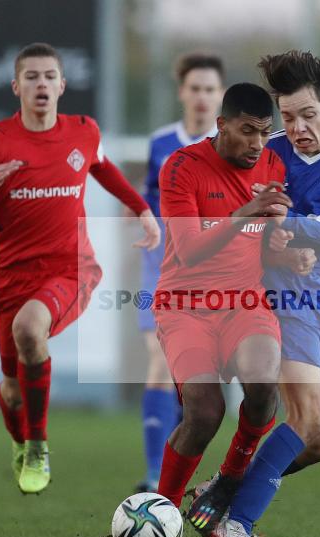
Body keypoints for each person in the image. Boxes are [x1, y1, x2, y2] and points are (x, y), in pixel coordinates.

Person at [0, 43, 160, 494]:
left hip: (71, 269)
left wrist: (142, 208)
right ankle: (22, 442)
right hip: (10, 278)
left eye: (49, 76)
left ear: (62, 85)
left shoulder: (82, 132)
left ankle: (39, 444)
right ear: (16, 87)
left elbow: (102, 168)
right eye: (31, 77)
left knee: (30, 328)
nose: (41, 84)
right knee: (11, 389)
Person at [200, 50, 320, 537]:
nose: (297, 127)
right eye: (288, 116)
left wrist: (289, 224)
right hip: (283, 297)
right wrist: (265, 235)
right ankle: (237, 525)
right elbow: (229, 199)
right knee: (304, 421)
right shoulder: (267, 150)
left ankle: (227, 487)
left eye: (308, 115)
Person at [153, 84, 292, 537]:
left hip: (244, 303)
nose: (257, 144)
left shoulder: (273, 164)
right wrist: (245, 210)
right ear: (222, 125)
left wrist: (285, 246)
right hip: (185, 306)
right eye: (248, 132)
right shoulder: (181, 167)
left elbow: (266, 243)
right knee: (204, 412)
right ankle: (163, 521)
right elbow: (189, 250)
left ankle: (229, 480)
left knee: (261, 384)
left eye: (265, 134)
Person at [134, 53, 225, 493]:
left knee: (198, 380)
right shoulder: (160, 143)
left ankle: (197, 471)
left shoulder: (232, 144)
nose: (203, 97)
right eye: (196, 88)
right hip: (162, 267)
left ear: (221, 95)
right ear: (182, 93)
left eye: (211, 89)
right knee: (158, 360)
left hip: (212, 275)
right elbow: (150, 201)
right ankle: (154, 474)